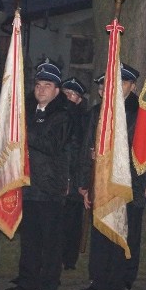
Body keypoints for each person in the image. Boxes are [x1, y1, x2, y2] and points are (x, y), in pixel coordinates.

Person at [80, 64, 146, 290]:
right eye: (110, 84)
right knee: (101, 231)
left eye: (122, 83)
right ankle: (98, 280)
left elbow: (145, 152)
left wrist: (143, 183)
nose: (116, 88)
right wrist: (85, 184)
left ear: (132, 86)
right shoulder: (96, 112)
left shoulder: (140, 113)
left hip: (129, 182)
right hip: (101, 181)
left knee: (124, 232)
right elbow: (86, 148)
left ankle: (119, 281)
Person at [9, 60, 71, 290]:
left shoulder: (62, 116)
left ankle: (48, 284)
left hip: (49, 187)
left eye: (47, 85)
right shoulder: (27, 111)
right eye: (38, 85)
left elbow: (53, 145)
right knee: (30, 238)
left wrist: (23, 131)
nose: (41, 90)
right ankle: (28, 280)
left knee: (50, 240)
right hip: (27, 185)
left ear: (56, 91)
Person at [61, 76, 89, 271]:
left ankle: (69, 259)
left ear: (79, 99)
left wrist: (80, 181)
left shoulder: (83, 119)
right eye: (65, 93)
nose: (68, 97)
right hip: (57, 176)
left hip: (74, 176)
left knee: (72, 222)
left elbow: (81, 150)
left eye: (72, 94)